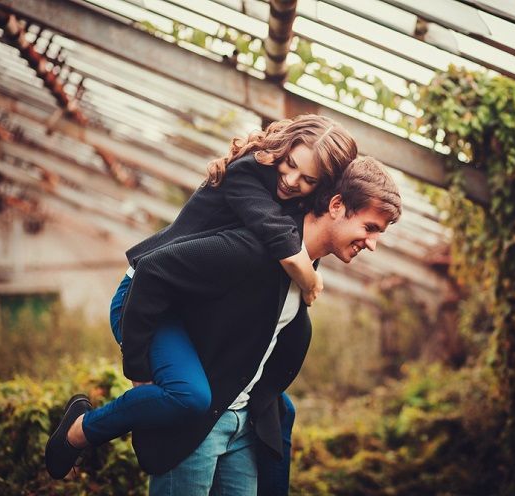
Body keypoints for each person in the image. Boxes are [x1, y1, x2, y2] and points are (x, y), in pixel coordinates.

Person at [45, 114, 357, 483]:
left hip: (181, 305)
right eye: (290, 165)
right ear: (282, 148)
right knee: (189, 396)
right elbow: (282, 244)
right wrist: (139, 372)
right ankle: (81, 429)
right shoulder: (248, 172)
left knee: (210, 395)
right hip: (145, 295)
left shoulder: (293, 203)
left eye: (308, 180)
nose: (291, 181)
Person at [111, 157, 401, 494]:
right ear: (336, 205)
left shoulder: (307, 265)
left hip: (242, 425)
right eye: (369, 228)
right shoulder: (256, 249)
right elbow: (153, 272)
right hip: (197, 428)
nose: (372, 243)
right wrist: (141, 374)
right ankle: (82, 429)